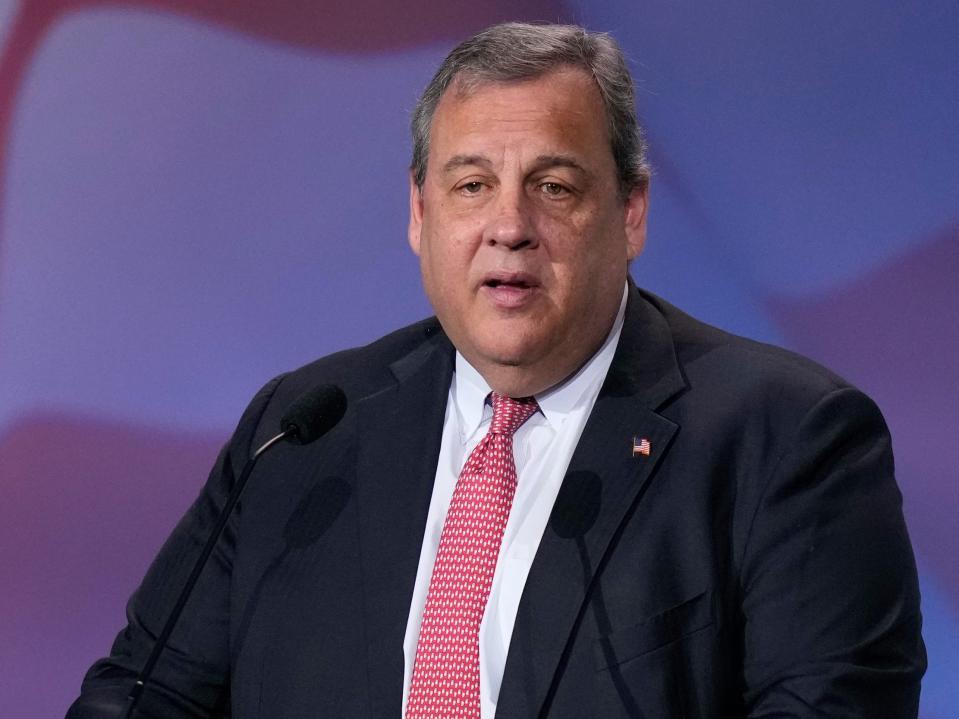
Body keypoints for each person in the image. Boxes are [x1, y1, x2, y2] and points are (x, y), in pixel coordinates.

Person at [69, 22, 925, 718]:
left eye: (553, 186)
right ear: (419, 212)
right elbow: (146, 694)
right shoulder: (300, 431)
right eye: (471, 184)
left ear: (629, 212)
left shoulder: (787, 439)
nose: (507, 225)